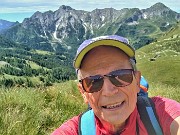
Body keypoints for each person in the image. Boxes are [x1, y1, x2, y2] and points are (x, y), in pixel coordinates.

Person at [51, 35, 180, 135]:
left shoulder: (160, 112)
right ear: (84, 93)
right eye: (94, 82)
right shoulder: (75, 130)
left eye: (120, 75)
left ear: (137, 81)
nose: (109, 91)